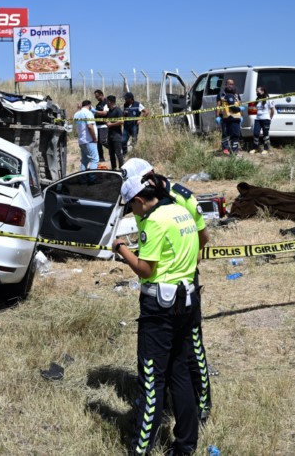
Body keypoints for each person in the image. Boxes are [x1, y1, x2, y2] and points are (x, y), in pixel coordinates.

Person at [113, 176, 201, 456]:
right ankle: (186, 445)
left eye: (132, 208)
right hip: (187, 300)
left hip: (160, 309)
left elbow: (145, 269)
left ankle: (141, 448)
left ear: (140, 200)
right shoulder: (180, 211)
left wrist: (120, 248)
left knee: (151, 379)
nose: (133, 214)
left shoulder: (155, 221)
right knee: (181, 375)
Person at [122, 158, 213, 422]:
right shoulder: (140, 200)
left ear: (148, 176)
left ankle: (202, 402)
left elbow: (203, 236)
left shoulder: (179, 197)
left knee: (191, 347)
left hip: (181, 282)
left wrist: (187, 265)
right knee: (155, 353)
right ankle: (156, 403)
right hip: (155, 285)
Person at [216, 78, 243, 155]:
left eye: (232, 84)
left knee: (234, 133)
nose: (230, 85)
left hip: (234, 116)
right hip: (224, 116)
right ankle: (225, 148)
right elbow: (218, 105)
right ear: (226, 84)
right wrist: (217, 116)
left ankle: (233, 149)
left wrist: (241, 115)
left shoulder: (236, 95)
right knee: (225, 133)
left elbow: (239, 105)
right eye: (229, 84)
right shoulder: (222, 94)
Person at [74, 100, 99, 171]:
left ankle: (83, 178)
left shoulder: (77, 114)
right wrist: (94, 138)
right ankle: (92, 178)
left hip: (81, 140)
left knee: (84, 161)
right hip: (89, 140)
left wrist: (78, 108)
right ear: (90, 105)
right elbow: (90, 126)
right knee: (94, 160)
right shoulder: (88, 113)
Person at [251, 85, 275, 154]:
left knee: (265, 134)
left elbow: (272, 110)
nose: (257, 92)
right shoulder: (258, 99)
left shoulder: (268, 99)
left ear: (262, 91)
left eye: (258, 91)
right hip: (258, 119)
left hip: (266, 119)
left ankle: (266, 149)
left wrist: (270, 118)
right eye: (256, 92)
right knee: (255, 133)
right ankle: (255, 148)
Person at [104, 95, 124, 170]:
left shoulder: (118, 110)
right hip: (110, 135)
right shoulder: (109, 112)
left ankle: (122, 169)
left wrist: (111, 124)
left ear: (110, 102)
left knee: (118, 153)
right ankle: (113, 169)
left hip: (117, 135)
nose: (106, 103)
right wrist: (107, 122)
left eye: (107, 102)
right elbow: (108, 121)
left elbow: (121, 121)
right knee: (111, 153)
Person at [93, 90, 109, 164]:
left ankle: (114, 149)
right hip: (97, 125)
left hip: (104, 125)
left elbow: (105, 113)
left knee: (103, 141)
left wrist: (95, 111)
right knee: (98, 143)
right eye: (96, 97)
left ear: (101, 95)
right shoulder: (98, 104)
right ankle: (101, 158)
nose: (96, 98)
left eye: (97, 96)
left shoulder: (106, 102)